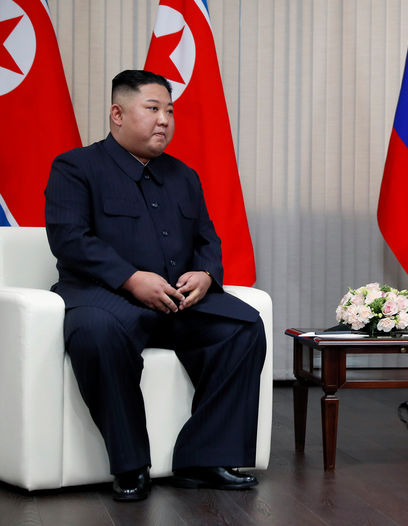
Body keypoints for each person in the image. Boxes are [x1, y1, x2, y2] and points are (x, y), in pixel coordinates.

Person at [44, 70, 267, 501]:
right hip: (104, 299)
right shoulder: (75, 167)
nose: (164, 119)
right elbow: (69, 239)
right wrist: (130, 278)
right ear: (117, 114)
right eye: (152, 109)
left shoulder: (183, 175)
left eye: (169, 110)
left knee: (242, 326)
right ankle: (130, 465)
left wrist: (205, 274)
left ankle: (204, 458)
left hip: (176, 302)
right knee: (96, 333)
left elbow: (208, 238)